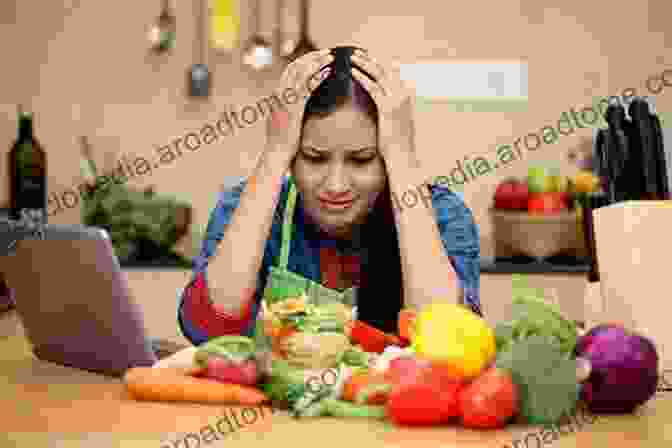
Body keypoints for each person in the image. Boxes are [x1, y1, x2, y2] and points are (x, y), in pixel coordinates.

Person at [178, 47, 481, 346]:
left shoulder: (441, 214)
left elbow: (447, 343)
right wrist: (274, 152)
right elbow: (209, 330)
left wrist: (402, 157)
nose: (335, 185)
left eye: (361, 160)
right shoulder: (247, 207)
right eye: (313, 158)